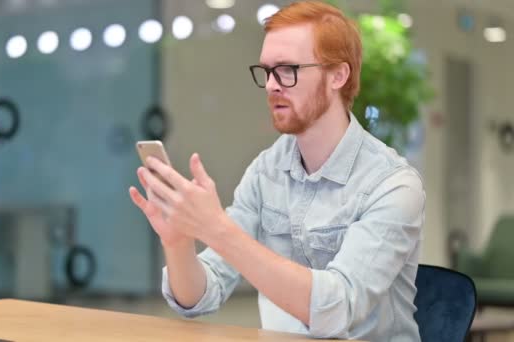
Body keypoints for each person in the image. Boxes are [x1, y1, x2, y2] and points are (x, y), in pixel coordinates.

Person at [129, 1, 425, 340]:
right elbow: (199, 298)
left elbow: (337, 308)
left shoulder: (393, 185)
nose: (272, 85)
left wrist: (218, 230)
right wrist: (179, 241)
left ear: (338, 76)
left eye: (288, 69)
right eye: (267, 71)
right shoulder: (266, 171)